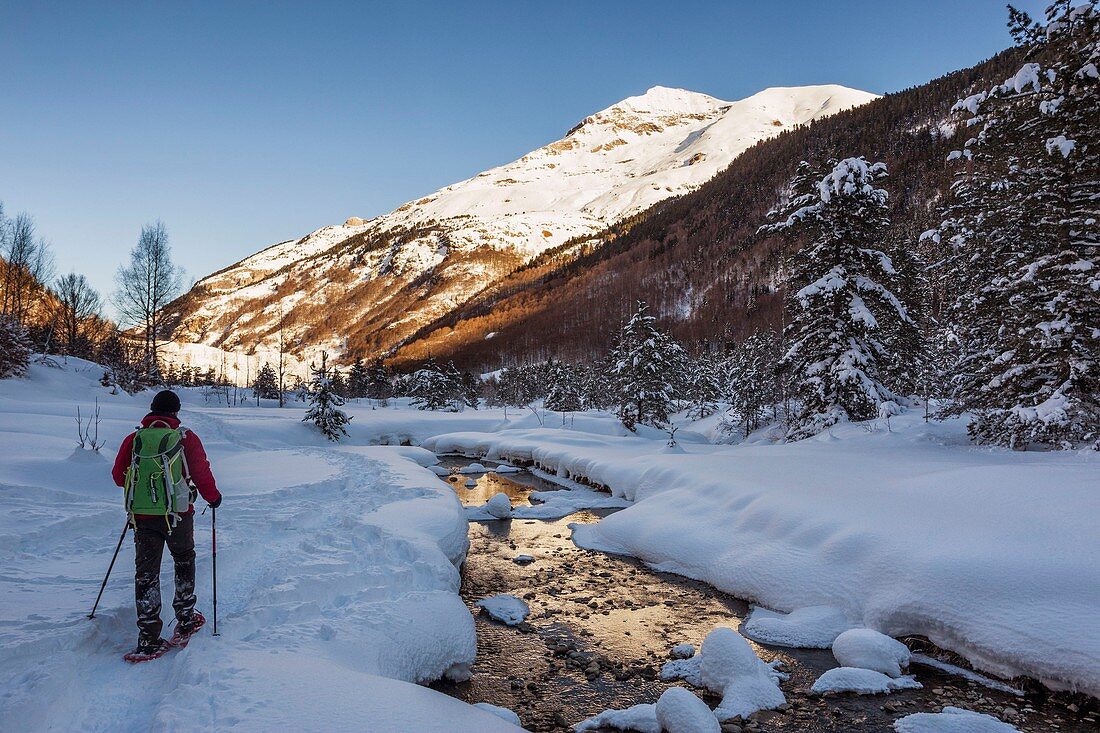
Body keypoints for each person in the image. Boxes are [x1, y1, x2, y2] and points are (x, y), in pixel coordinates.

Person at [111, 389, 222, 661]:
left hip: (143, 516)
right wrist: (213, 497)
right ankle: (185, 620)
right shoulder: (185, 438)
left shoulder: (135, 438)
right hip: (178, 515)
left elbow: (117, 477)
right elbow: (201, 471)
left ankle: (148, 639)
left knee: (146, 573)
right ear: (176, 412)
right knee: (183, 560)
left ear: (151, 410)